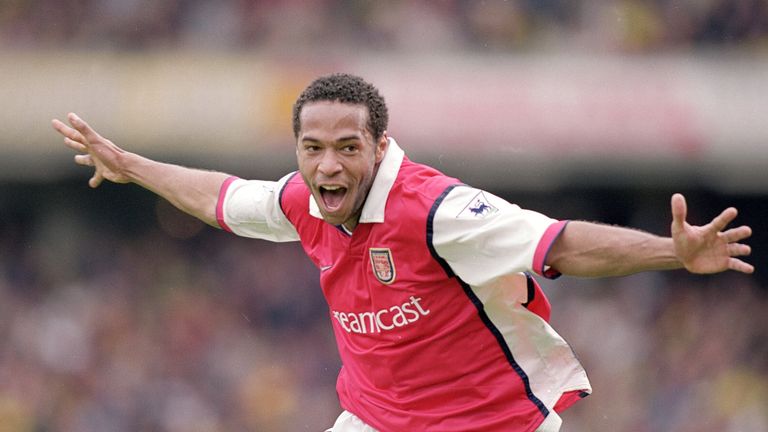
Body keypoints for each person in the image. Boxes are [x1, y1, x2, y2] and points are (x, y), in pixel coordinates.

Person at [52, 73, 753, 432]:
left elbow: (563, 243)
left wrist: (672, 253)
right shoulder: (302, 200)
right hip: (376, 421)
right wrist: (131, 164)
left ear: (380, 148)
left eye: (347, 148)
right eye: (313, 148)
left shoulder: (439, 212)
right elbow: (221, 196)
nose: (328, 166)